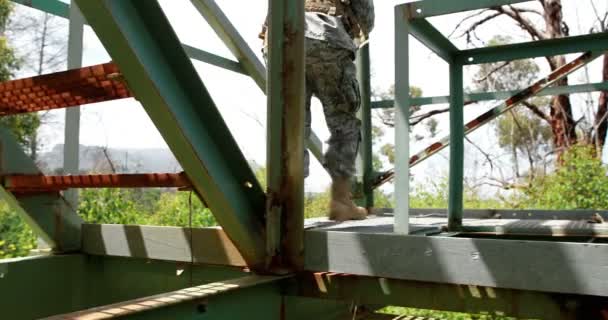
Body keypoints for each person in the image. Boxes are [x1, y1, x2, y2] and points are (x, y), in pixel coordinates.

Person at [261, 0, 374, 221]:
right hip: (325, 34)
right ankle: (341, 202)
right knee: (344, 122)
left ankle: (286, 206)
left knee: (290, 124)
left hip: (278, 38)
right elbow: (365, 17)